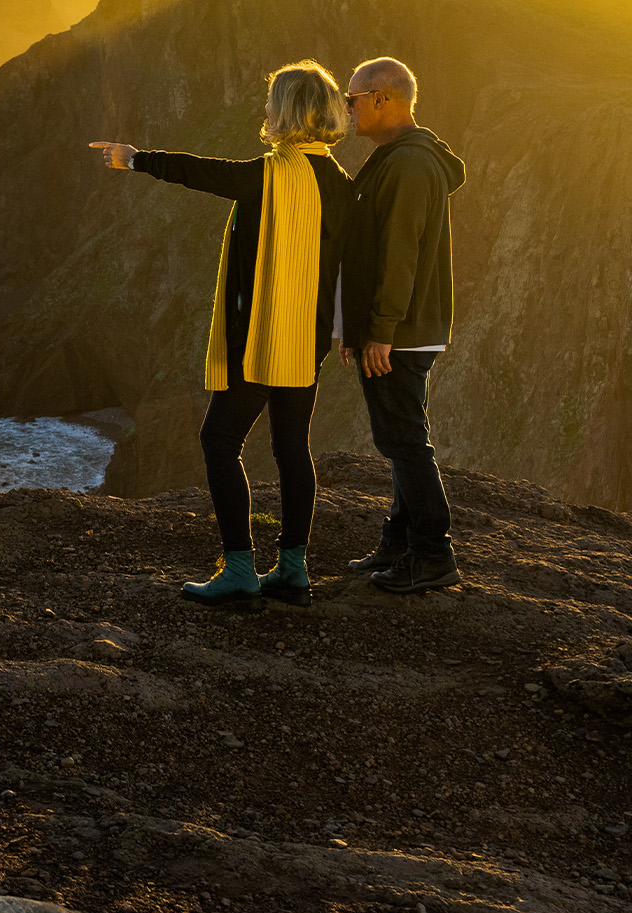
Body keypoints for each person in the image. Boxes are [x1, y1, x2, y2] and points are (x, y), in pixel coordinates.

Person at [90, 61, 353, 609]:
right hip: (306, 342)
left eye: (271, 103)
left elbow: (202, 172)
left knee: (219, 440)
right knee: (291, 449)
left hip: (258, 338)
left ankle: (238, 570)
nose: (264, 111)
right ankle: (293, 570)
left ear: (287, 111)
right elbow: (351, 267)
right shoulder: (341, 185)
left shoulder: (269, 174)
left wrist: (135, 158)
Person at [338, 56, 466, 594]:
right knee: (399, 437)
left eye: (353, 99)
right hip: (401, 327)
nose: (347, 109)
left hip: (402, 330)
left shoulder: (409, 164)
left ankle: (433, 555)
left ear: (383, 99)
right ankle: (400, 542)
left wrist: (382, 328)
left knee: (405, 440)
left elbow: (400, 252)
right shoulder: (399, 157)